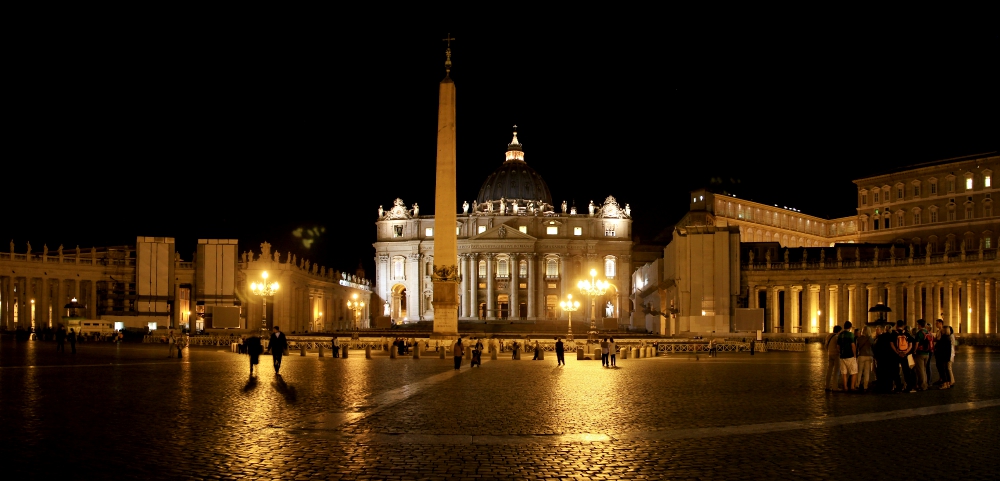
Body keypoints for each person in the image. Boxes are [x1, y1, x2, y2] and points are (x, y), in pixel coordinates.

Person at [891, 320, 916, 393]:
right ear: (903, 326)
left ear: (896, 325)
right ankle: (909, 387)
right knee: (906, 371)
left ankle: (898, 387)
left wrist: (897, 352)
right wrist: (905, 352)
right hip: (905, 355)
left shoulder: (893, 333)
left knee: (896, 371)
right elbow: (911, 345)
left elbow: (891, 344)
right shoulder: (907, 333)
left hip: (896, 355)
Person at [913, 319, 933, 390]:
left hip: (920, 353)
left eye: (918, 324)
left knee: (920, 370)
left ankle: (922, 386)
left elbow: (917, 343)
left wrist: (914, 351)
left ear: (920, 325)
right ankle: (925, 384)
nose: (917, 326)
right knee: (924, 369)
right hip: (927, 353)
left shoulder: (919, 333)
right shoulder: (928, 332)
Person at [837, 321, 857, 392]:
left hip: (842, 356)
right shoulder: (851, 335)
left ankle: (845, 387)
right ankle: (852, 387)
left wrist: (840, 352)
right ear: (850, 327)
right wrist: (854, 354)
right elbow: (853, 345)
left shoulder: (840, 335)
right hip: (850, 355)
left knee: (844, 373)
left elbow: (838, 346)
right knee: (854, 372)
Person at [933, 319, 953, 389]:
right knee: (945, 369)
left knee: (943, 370)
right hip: (946, 356)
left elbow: (940, 346)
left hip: (942, 356)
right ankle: (947, 383)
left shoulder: (944, 338)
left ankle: (945, 384)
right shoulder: (948, 338)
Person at [856, 327, 874, 392]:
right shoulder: (871, 339)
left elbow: (857, 347)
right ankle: (865, 386)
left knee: (859, 371)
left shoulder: (859, 339)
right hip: (869, 356)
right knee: (867, 372)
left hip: (861, 355)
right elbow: (873, 347)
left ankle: (857, 384)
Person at [824, 325, 842, 391]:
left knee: (829, 370)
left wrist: (828, 351)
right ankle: (835, 387)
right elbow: (838, 346)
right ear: (839, 331)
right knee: (836, 371)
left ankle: (827, 386)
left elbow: (825, 345)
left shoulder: (828, 336)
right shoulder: (837, 337)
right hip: (836, 355)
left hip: (830, 354)